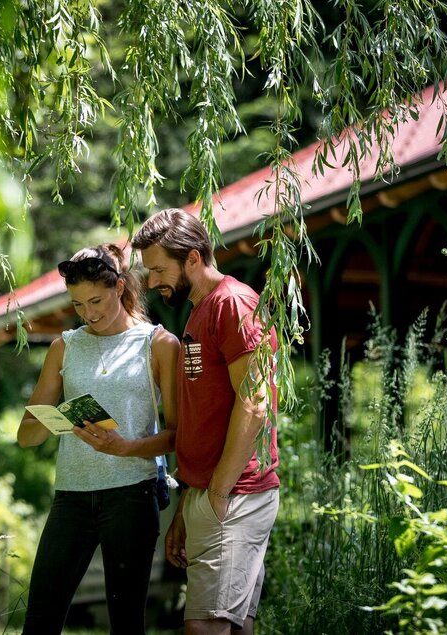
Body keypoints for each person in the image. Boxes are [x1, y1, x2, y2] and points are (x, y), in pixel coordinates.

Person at [17, 243, 180, 635]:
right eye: (77, 305)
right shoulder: (64, 346)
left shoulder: (157, 344)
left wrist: (125, 447)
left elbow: (178, 435)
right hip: (71, 496)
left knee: (126, 624)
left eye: (96, 300)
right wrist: (54, 421)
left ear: (120, 287)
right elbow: (26, 436)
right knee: (40, 619)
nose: (89, 314)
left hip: (132, 495)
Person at [131, 208, 280, 635]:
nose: (154, 281)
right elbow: (204, 420)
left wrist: (216, 494)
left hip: (234, 493)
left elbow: (255, 403)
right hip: (211, 493)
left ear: (193, 259)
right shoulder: (199, 310)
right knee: (233, 628)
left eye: (160, 270)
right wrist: (187, 505)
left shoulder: (232, 304)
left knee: (204, 628)